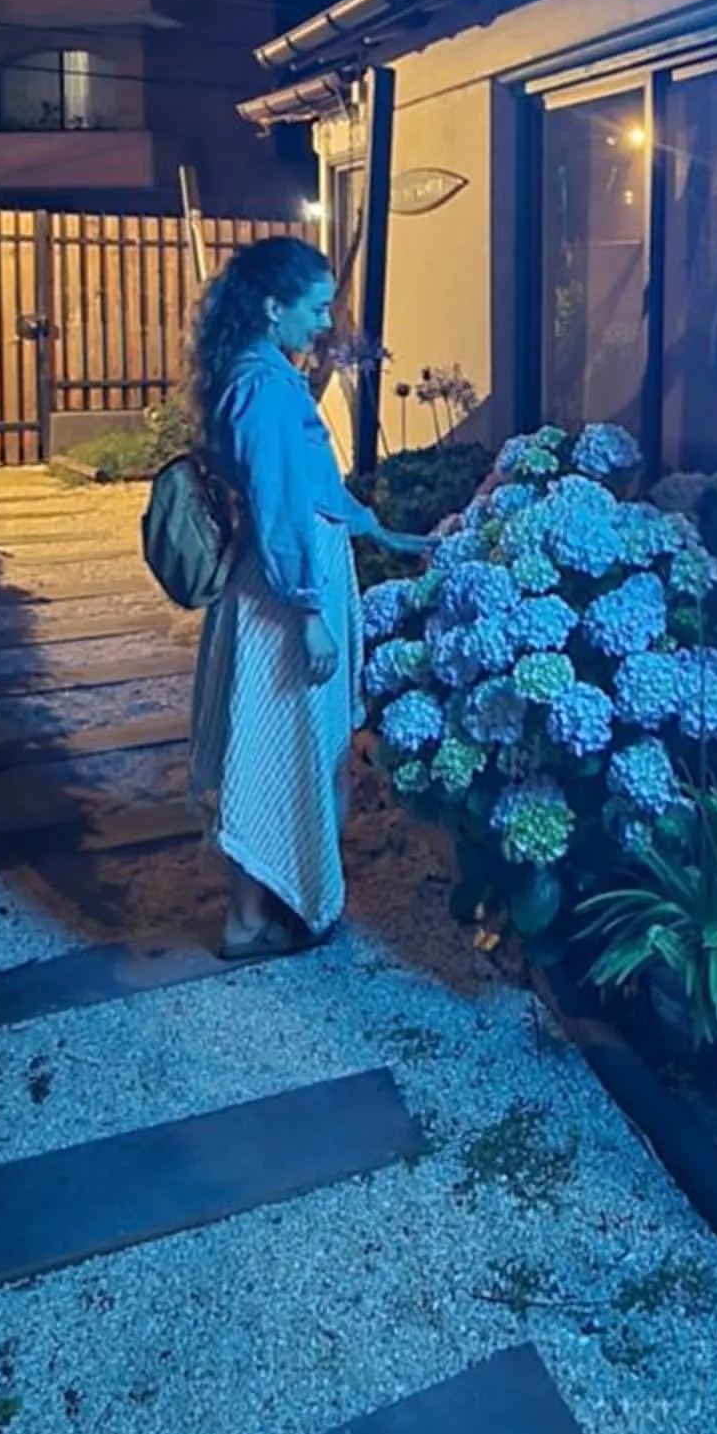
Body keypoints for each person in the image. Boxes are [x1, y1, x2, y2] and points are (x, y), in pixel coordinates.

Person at [185, 239, 427, 962]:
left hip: (288, 589)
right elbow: (280, 505)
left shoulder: (266, 376)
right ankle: (248, 918)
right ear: (272, 307)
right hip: (283, 600)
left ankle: (263, 910)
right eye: (317, 308)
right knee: (276, 745)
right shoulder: (262, 385)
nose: (324, 324)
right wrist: (310, 612)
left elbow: (312, 490)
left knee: (280, 746)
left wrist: (386, 532)